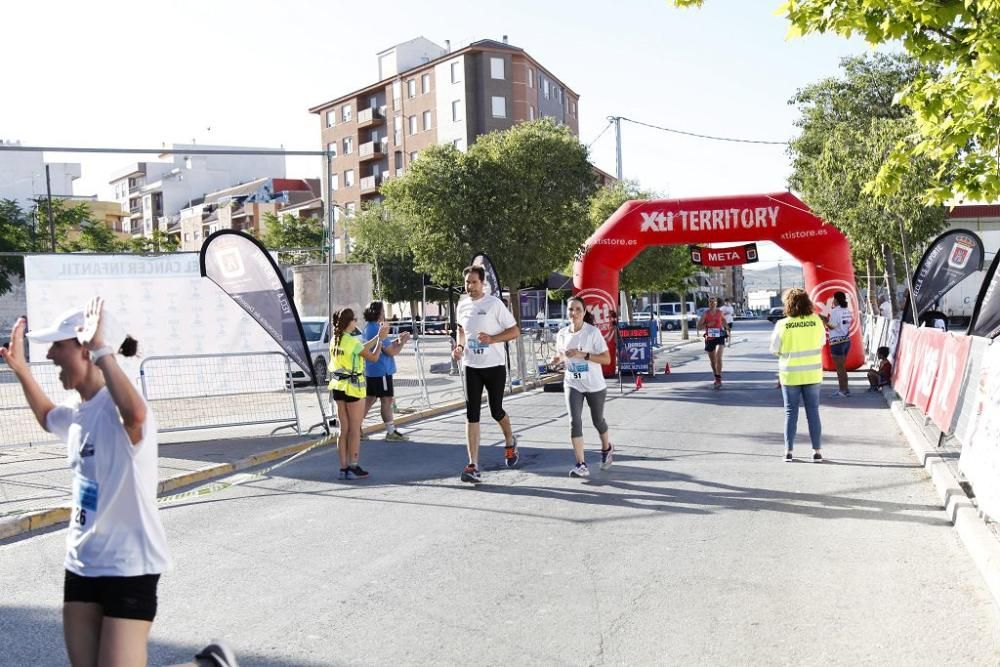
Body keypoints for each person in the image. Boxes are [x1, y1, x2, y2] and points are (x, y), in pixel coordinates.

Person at [0, 299, 240, 667]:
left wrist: (101, 348)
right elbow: (48, 417)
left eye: (57, 346)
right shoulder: (76, 411)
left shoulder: (118, 406)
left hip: (129, 566)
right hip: (81, 563)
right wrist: (20, 371)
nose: (49, 355)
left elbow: (136, 416)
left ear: (83, 350)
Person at [451, 265, 521, 483]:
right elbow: (461, 330)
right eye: (467, 282)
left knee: (496, 410)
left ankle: (510, 440)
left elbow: (515, 331)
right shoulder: (461, 305)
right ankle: (473, 465)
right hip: (471, 366)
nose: (470, 286)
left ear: (482, 283)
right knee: (472, 414)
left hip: (494, 366)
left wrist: (492, 339)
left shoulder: (494, 304)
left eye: (474, 282)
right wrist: (460, 347)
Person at [548, 296, 615, 477]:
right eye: (571, 309)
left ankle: (606, 448)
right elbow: (562, 355)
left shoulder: (592, 333)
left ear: (584, 312)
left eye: (578, 309)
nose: (574, 313)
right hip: (573, 382)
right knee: (574, 422)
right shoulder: (562, 333)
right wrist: (557, 360)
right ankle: (581, 464)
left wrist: (583, 355)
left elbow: (606, 359)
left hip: (594, 385)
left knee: (597, 421)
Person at [329, 307, 389, 480]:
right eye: (354, 319)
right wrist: (381, 341)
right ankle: (354, 466)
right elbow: (373, 357)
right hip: (353, 388)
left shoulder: (336, 339)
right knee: (355, 429)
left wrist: (376, 337)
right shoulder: (351, 342)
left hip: (338, 387)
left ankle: (343, 468)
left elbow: (359, 348)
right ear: (349, 323)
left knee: (344, 429)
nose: (356, 321)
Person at [770, 288, 826, 462]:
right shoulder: (816, 321)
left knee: (790, 412)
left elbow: (774, 350)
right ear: (807, 302)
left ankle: (788, 451)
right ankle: (817, 452)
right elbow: (822, 342)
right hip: (812, 374)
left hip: (790, 374)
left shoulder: (782, 324)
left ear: (788, 304)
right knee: (813, 412)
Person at [361, 301, 412, 441]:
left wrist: (398, 340)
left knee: (370, 399)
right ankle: (390, 432)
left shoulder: (370, 327)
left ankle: (356, 428)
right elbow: (390, 352)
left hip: (373, 370)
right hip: (381, 370)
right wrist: (403, 342)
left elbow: (385, 345)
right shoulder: (377, 329)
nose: (385, 313)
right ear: (378, 312)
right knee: (386, 400)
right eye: (383, 311)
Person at [824, 290, 853, 397]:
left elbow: (833, 326)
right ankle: (845, 389)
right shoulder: (847, 310)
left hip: (836, 342)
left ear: (835, 299)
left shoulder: (834, 311)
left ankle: (842, 390)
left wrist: (824, 320)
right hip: (846, 341)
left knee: (840, 369)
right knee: (842, 368)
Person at [697, 297, 727, 388]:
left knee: (719, 356)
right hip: (709, 337)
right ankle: (716, 376)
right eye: (710, 302)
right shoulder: (705, 314)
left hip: (720, 336)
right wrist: (707, 325)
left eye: (713, 302)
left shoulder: (719, 312)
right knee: (713, 361)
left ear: (716, 303)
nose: (712, 303)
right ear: (708, 303)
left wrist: (727, 328)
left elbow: (724, 320)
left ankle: (719, 378)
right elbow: (698, 327)